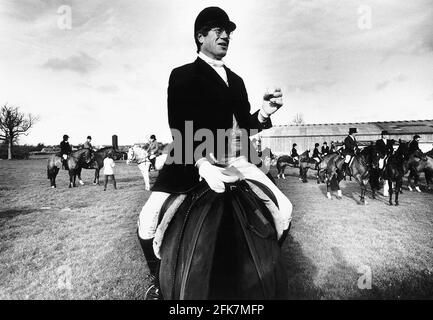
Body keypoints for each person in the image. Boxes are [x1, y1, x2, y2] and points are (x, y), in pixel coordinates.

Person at [136, 7, 293, 300]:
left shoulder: (236, 80)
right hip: (190, 159)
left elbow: (243, 125)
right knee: (147, 219)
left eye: (228, 32)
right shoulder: (182, 75)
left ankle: (267, 266)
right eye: (217, 30)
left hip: (235, 161)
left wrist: (263, 115)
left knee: (284, 209)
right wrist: (200, 162)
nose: (225, 36)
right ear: (200, 36)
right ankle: (157, 282)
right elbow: (178, 125)